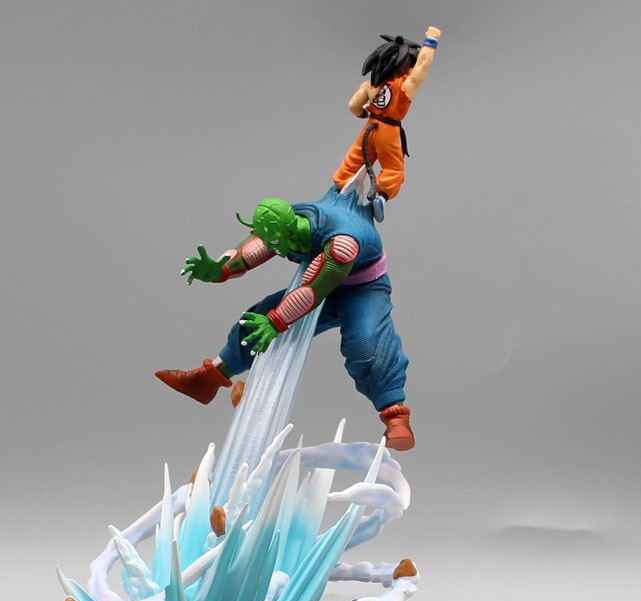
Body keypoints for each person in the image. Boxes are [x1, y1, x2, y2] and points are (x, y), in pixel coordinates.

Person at [155, 186, 415, 450]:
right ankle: (208, 380)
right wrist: (219, 269)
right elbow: (252, 251)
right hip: (320, 279)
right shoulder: (285, 225)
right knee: (254, 320)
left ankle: (396, 416)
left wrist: (275, 322)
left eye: (275, 243)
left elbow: (311, 292)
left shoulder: (343, 243)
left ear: (289, 231)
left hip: (364, 288)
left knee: (366, 343)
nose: (273, 249)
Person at [333, 26, 441, 222]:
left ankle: (340, 188)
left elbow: (353, 106)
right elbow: (423, 65)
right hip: (389, 130)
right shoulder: (405, 87)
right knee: (393, 168)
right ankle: (381, 196)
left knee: (354, 159)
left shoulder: (370, 85)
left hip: (370, 126)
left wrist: (364, 113)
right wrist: (431, 41)